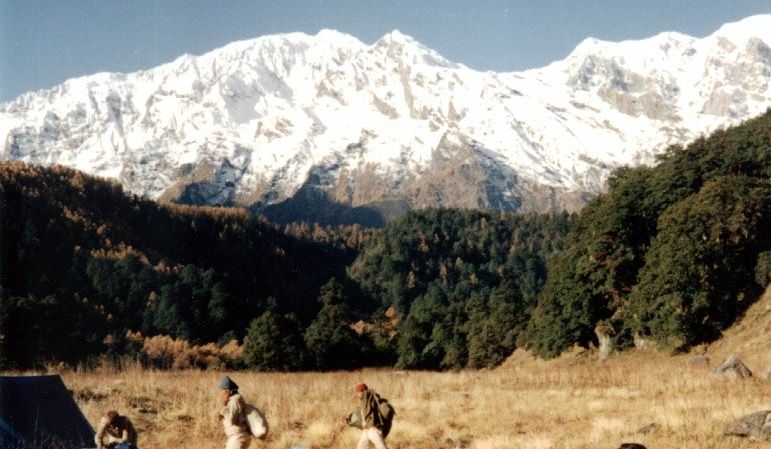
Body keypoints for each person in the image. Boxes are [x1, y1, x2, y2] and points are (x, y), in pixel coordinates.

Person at [216, 375, 252, 449]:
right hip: (237, 436)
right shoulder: (234, 400)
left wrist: (224, 413)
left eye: (224, 390)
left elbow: (233, 420)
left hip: (238, 437)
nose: (223, 393)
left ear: (229, 391)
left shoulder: (234, 401)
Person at [353, 383, 390, 449]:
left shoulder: (369, 399)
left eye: (358, 392)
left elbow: (369, 409)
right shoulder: (363, 402)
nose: (357, 394)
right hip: (366, 430)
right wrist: (363, 422)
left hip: (373, 430)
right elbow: (364, 413)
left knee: (382, 447)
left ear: (363, 391)